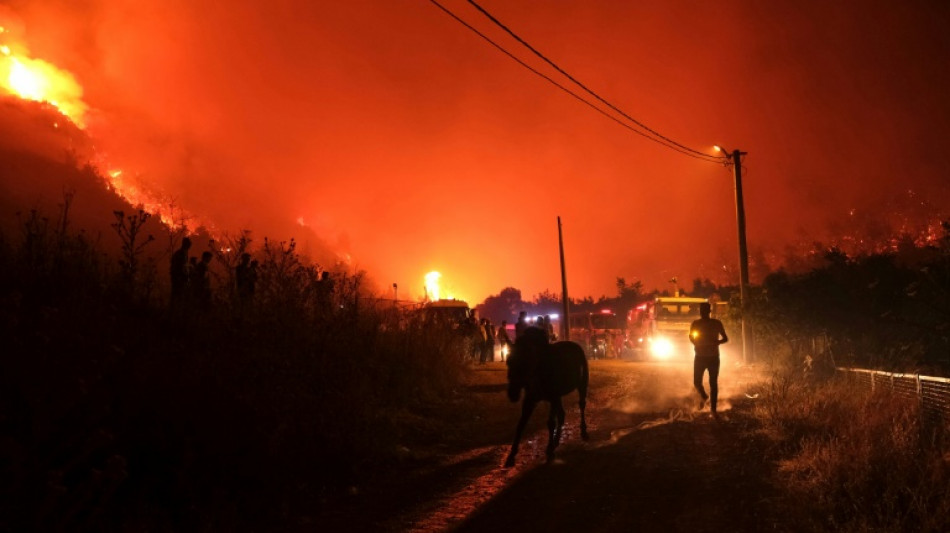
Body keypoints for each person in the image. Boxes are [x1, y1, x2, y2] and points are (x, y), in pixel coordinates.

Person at [689, 302, 728, 415]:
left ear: (709, 312)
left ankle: (713, 409)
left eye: (704, 311)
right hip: (701, 356)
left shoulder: (716, 323)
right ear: (700, 312)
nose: (703, 313)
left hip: (712, 357)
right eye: (702, 311)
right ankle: (705, 397)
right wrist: (694, 342)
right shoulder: (696, 323)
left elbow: (725, 338)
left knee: (713, 383)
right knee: (697, 382)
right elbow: (691, 336)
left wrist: (717, 342)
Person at [170, 237, 191, 304]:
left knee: (178, 296)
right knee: (177, 296)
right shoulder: (181, 253)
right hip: (178, 278)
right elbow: (179, 266)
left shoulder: (184, 253)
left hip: (180, 278)